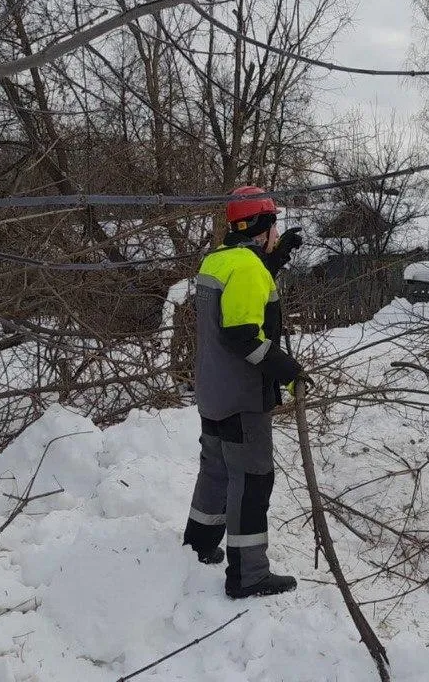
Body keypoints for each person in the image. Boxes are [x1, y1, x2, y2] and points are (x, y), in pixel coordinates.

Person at [182, 185, 306, 598]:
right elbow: (242, 336)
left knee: (215, 471)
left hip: (212, 392)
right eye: (274, 225)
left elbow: (239, 299)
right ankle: (248, 575)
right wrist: (288, 370)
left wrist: (273, 261)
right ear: (263, 226)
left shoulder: (217, 261)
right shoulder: (248, 269)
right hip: (242, 398)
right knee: (252, 481)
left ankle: (198, 546)